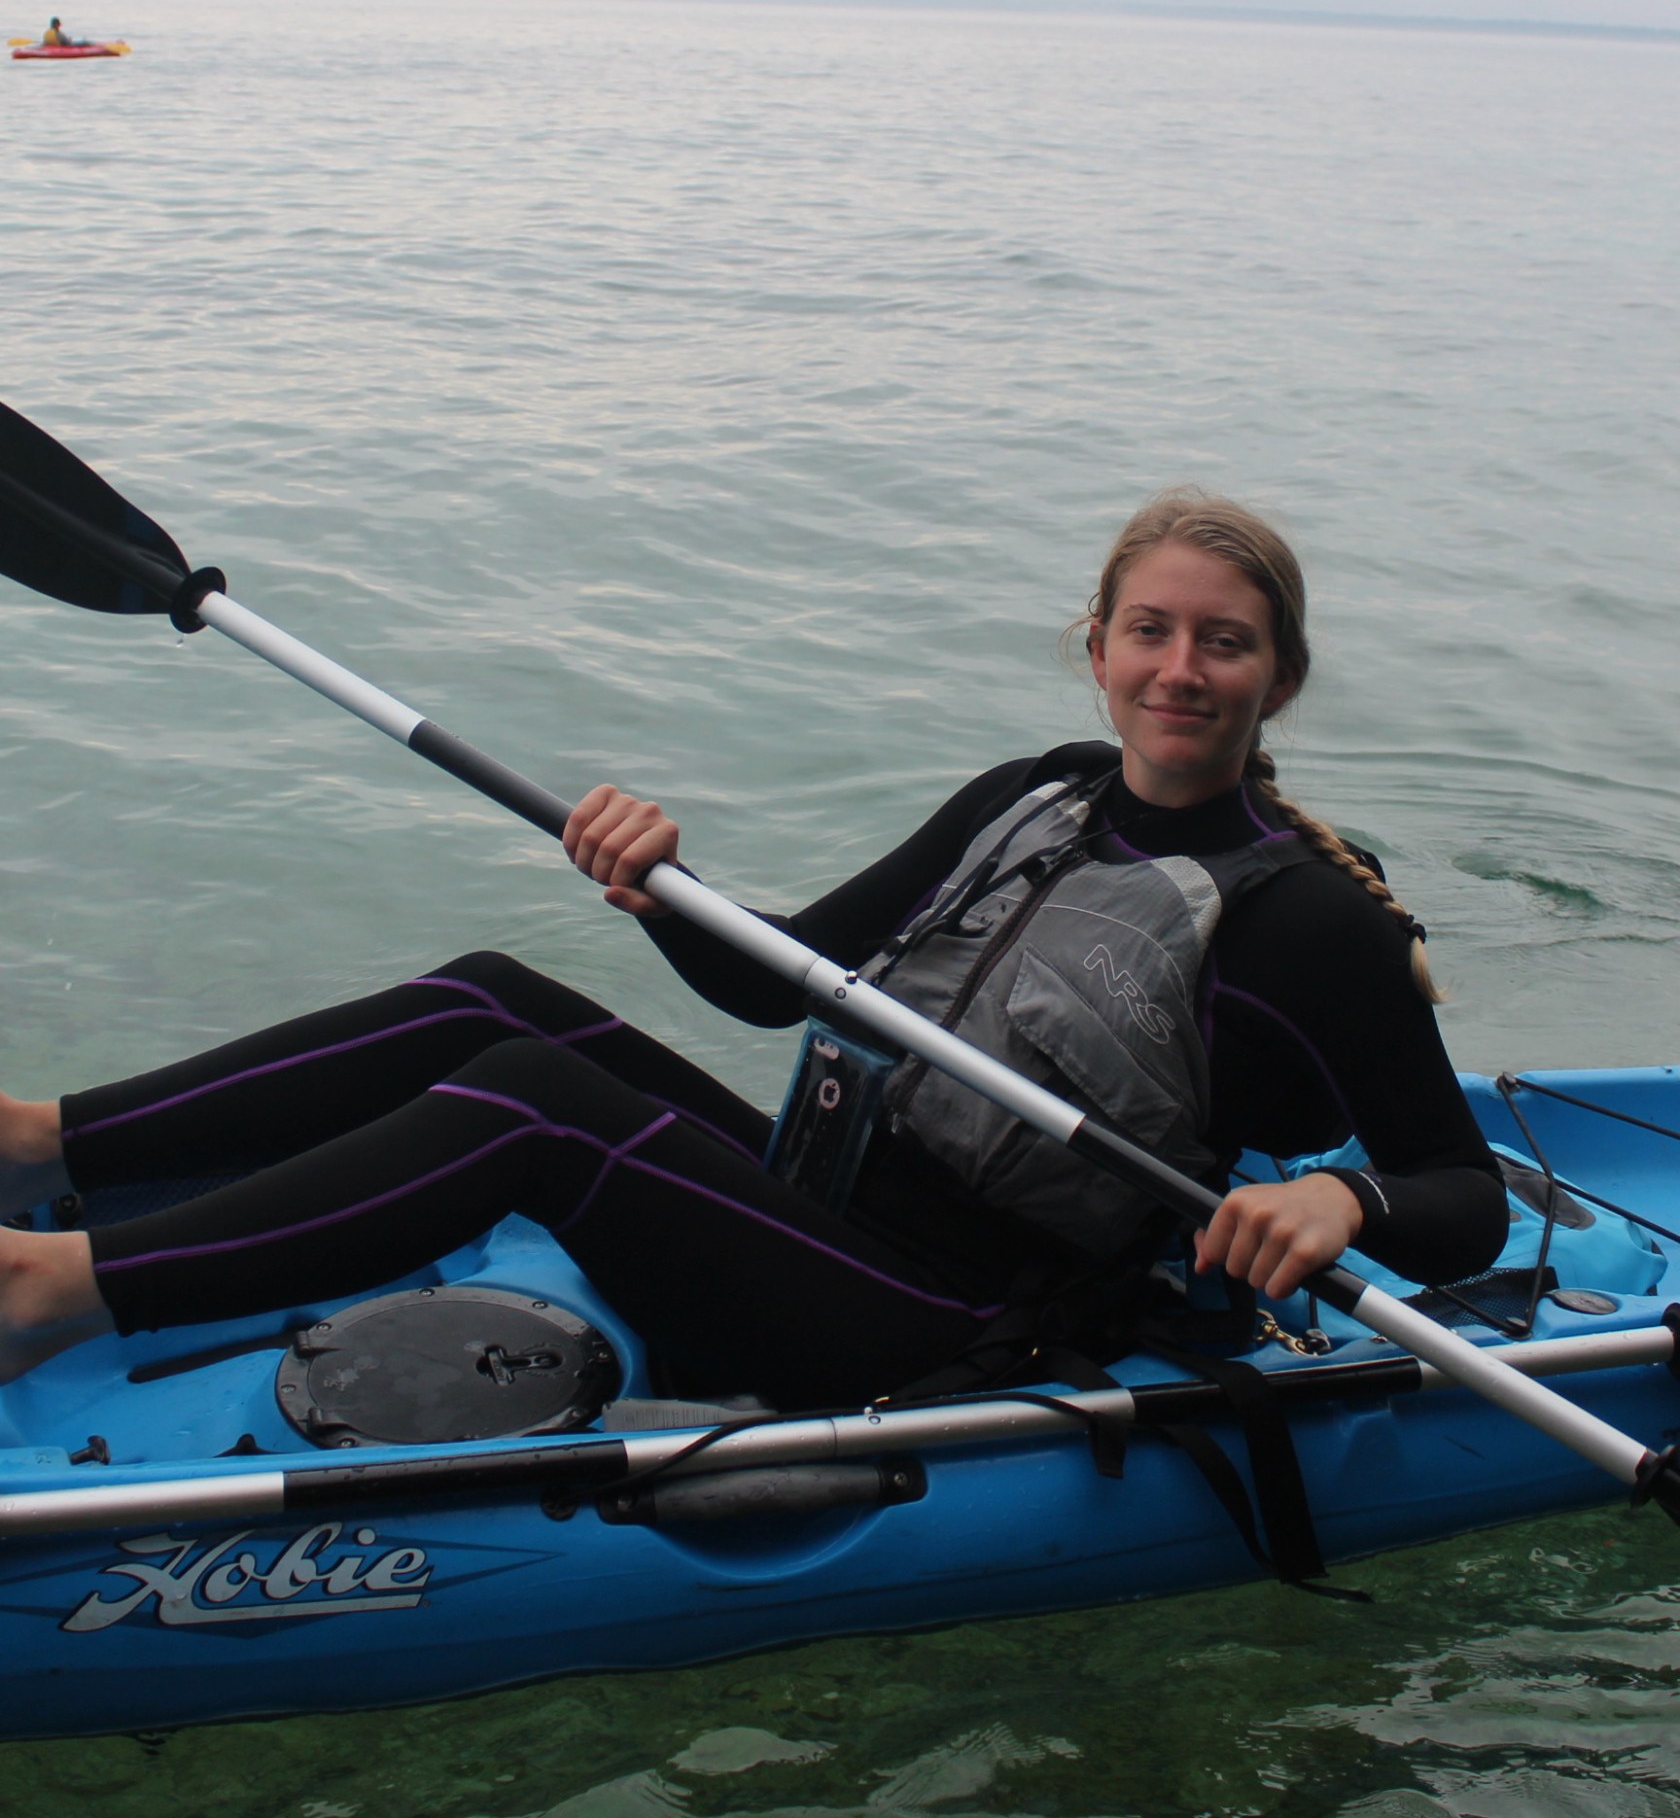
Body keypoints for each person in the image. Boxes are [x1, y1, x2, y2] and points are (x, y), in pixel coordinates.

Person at [0, 491, 1508, 1405]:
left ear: (1280, 676)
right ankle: (44, 1141)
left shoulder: (1302, 917)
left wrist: (1340, 1194)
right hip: (817, 1209)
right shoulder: (1033, 797)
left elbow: (1465, 1197)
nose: (1181, 670)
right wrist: (667, 886)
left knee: (536, 1099)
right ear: (1097, 647)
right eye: (1151, 631)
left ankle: (50, 1290)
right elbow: (786, 979)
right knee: (486, 1000)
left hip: (956, 1328)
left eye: (1223, 642)